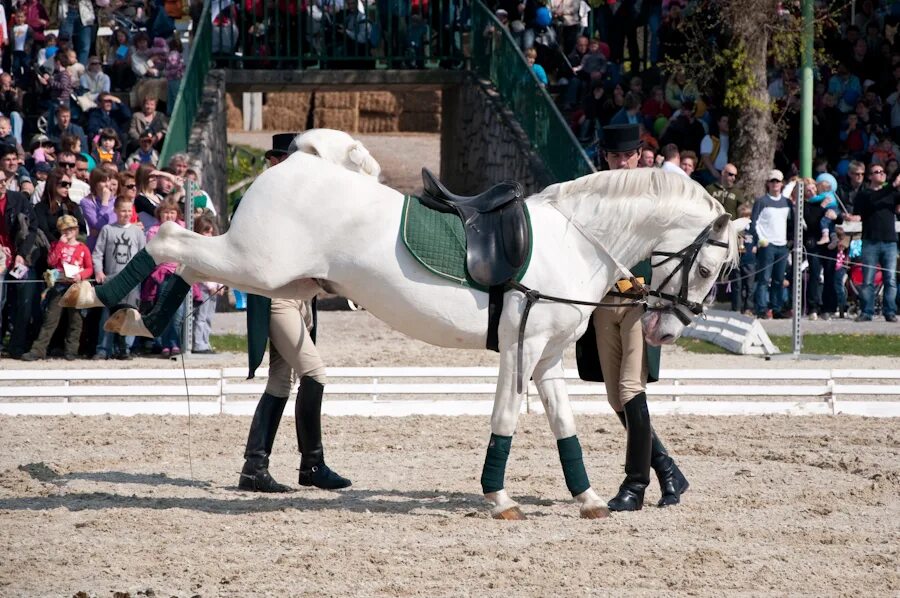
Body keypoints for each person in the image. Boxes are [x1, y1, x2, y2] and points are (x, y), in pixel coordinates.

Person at [575, 123, 688, 511]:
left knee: (629, 390)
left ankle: (635, 486)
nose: (621, 162)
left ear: (639, 154)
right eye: (614, 155)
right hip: (604, 304)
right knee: (614, 397)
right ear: (604, 156)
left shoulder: (656, 196)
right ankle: (667, 469)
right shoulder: (592, 194)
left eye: (627, 155)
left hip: (640, 303)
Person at [239, 133, 351, 493]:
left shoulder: (302, 202)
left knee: (281, 382)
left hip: (301, 300)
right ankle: (312, 464)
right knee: (315, 373)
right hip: (277, 299)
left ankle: (254, 467)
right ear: (274, 162)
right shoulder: (261, 201)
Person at [21, 215, 93, 361]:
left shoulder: (83, 248)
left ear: (77, 230)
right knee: (50, 319)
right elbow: (51, 261)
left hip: (76, 287)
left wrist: (81, 275)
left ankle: (71, 351)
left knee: (76, 321)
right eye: (65, 229)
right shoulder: (56, 245)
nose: (69, 232)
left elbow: (89, 268)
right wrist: (60, 245)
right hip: (59, 286)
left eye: (72, 229)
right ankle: (38, 350)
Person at [92, 196, 145, 359]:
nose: (126, 214)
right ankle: (103, 349)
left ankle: (125, 349)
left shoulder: (137, 232)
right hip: (111, 279)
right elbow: (97, 253)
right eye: (123, 210)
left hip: (131, 281)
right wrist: (99, 271)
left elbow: (143, 255)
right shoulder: (108, 229)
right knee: (107, 315)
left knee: (129, 314)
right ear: (115, 210)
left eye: (129, 210)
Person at [851, 165, 900, 322]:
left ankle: (889, 311)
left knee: (890, 279)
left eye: (883, 172)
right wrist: (892, 185)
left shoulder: (892, 193)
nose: (881, 174)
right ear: (870, 176)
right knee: (868, 279)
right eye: (877, 172)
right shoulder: (865, 194)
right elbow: (872, 201)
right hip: (870, 241)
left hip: (890, 242)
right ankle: (867, 311)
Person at [0, 168, 38, 359]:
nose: (0, 186)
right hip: (0, 260)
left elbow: (32, 228)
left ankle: (17, 345)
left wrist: (22, 254)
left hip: (20, 258)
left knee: (25, 300)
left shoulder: (17, 200)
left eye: (2, 181)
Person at [751, 169, 792, 319]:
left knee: (779, 279)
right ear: (768, 183)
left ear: (782, 183)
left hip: (782, 246)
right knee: (763, 279)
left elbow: (791, 222)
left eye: (778, 181)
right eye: (772, 181)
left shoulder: (787, 202)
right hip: (767, 245)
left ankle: (777, 308)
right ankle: (761, 308)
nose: (775, 184)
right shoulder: (761, 201)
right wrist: (761, 239)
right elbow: (753, 223)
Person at [191, 215, 220, 354]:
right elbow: (200, 270)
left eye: (211, 232)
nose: (209, 235)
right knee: (200, 317)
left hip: (214, 288)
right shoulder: (197, 249)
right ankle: (198, 343)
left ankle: (205, 341)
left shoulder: (215, 249)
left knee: (209, 317)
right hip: (203, 288)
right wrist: (210, 285)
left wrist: (220, 284)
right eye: (206, 231)